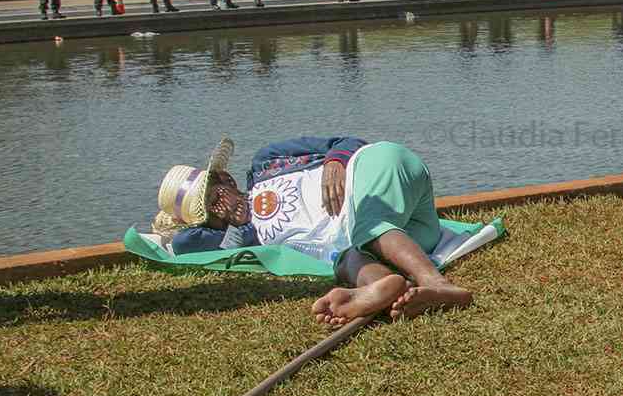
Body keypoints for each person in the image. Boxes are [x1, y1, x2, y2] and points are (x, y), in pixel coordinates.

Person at [153, 137, 473, 325]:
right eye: (209, 213)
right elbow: (183, 244)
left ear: (227, 180)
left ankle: (438, 284)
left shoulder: (266, 163)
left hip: (376, 172)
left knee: (368, 224)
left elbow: (345, 142)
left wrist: (336, 162)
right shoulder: (250, 236)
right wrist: (207, 223)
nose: (220, 209)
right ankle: (380, 290)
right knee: (347, 258)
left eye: (216, 196)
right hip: (409, 236)